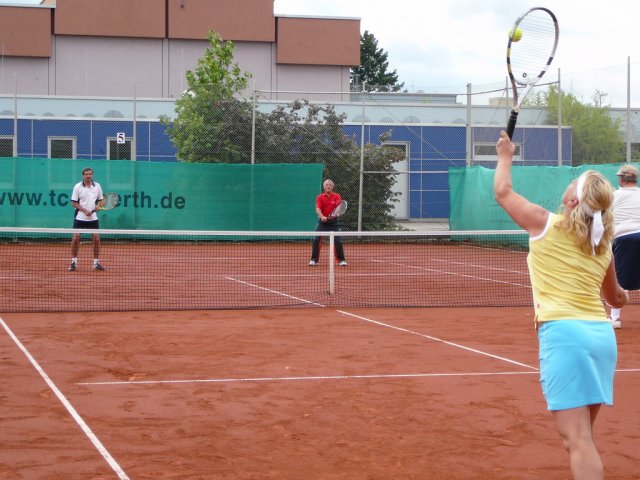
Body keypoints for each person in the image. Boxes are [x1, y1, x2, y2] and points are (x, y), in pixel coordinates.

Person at [494, 131, 628, 480]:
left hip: (565, 335)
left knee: (578, 439)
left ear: (571, 200)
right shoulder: (603, 246)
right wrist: (626, 297)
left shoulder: (544, 223)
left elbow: (502, 191)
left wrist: (505, 155)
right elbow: (615, 298)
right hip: (601, 339)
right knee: (583, 437)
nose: (567, 186)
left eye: (572, 183)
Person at [609, 164, 640, 328]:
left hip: (624, 238)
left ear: (622, 179)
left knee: (618, 280)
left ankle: (615, 319)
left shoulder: (614, 196)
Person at [68, 167, 105, 271]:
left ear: (92, 175)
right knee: (75, 239)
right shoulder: (77, 187)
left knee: (96, 239)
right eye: (86, 174)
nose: (88, 176)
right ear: (83, 176)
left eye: (90, 174)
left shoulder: (97, 186)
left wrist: (98, 206)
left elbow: (101, 200)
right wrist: (85, 211)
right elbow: (74, 203)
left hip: (93, 218)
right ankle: (74, 263)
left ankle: (96, 263)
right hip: (80, 217)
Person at [309, 179, 347, 266]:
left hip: (334, 223)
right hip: (322, 223)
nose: (328, 186)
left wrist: (333, 215)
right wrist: (322, 217)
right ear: (324, 187)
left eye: (330, 185)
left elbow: (339, 207)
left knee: (338, 241)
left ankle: (341, 260)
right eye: (327, 185)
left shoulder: (337, 196)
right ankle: (314, 260)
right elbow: (317, 209)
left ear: (332, 187)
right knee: (316, 239)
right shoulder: (319, 197)